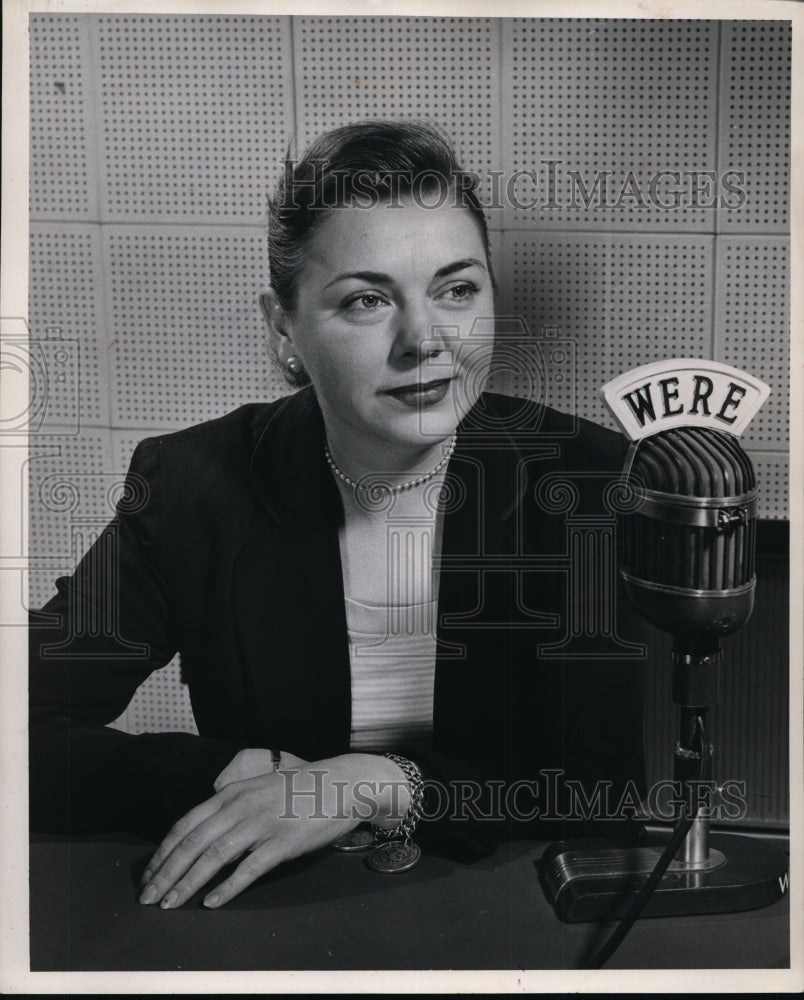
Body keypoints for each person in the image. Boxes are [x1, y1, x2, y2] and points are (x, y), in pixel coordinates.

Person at [29, 119, 646, 911]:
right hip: (286, 916)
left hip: (502, 912)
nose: (425, 341)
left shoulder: (585, 479)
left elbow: (602, 794)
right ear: (283, 328)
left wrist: (377, 784)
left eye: (457, 289)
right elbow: (19, 726)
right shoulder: (194, 485)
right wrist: (228, 773)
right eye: (365, 300)